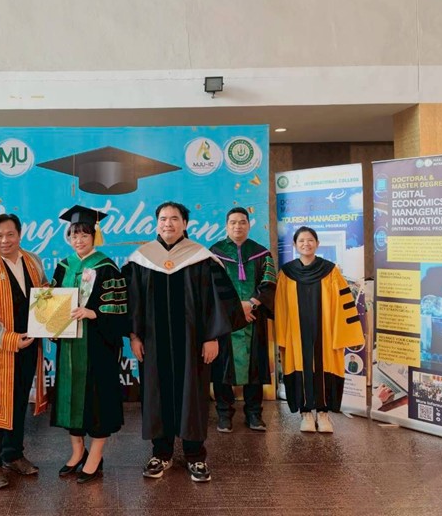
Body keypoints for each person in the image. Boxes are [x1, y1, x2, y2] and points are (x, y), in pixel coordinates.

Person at [123, 201, 245, 483]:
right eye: (163, 219)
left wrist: (212, 336)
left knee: (194, 395)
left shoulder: (201, 258)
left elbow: (215, 301)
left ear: (185, 224)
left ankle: (195, 455)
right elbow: (133, 301)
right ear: (156, 223)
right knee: (156, 394)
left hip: (193, 342)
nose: (168, 223)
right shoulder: (141, 259)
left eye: (174, 218)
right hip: (152, 343)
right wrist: (134, 335)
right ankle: (160, 453)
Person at [50, 205, 129, 484]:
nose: (79, 240)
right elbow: (53, 304)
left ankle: (95, 456)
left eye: (84, 234)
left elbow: (120, 308)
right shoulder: (63, 266)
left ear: (94, 236)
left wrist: (93, 313)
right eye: (74, 235)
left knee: (97, 401)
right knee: (70, 398)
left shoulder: (107, 267)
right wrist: (49, 322)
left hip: (98, 345)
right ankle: (77, 452)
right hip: (69, 346)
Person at [0, 213, 49, 490]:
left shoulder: (33, 260)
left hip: (29, 346)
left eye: (10, 234)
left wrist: (54, 320)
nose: (4, 240)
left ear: (19, 235)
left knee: (18, 403)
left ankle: (13, 454)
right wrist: (10, 339)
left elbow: (45, 295)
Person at [275, 226, 364, 434]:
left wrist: (342, 333)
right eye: (301, 241)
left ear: (317, 243)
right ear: (295, 245)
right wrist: (281, 335)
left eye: (310, 240)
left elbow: (343, 304)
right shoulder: (286, 273)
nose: (306, 244)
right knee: (300, 369)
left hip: (325, 332)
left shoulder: (330, 270)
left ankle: (323, 413)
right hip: (296, 333)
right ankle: (306, 413)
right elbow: (280, 307)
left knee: (325, 369)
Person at [209, 207, 277, 433]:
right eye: (233, 222)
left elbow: (269, 283)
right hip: (225, 320)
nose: (237, 226)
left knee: (254, 366)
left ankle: (254, 413)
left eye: (242, 222)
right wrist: (236, 308)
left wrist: (252, 303)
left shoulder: (261, 253)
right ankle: (224, 413)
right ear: (226, 226)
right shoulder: (215, 253)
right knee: (222, 366)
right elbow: (211, 286)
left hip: (253, 318)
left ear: (249, 225)